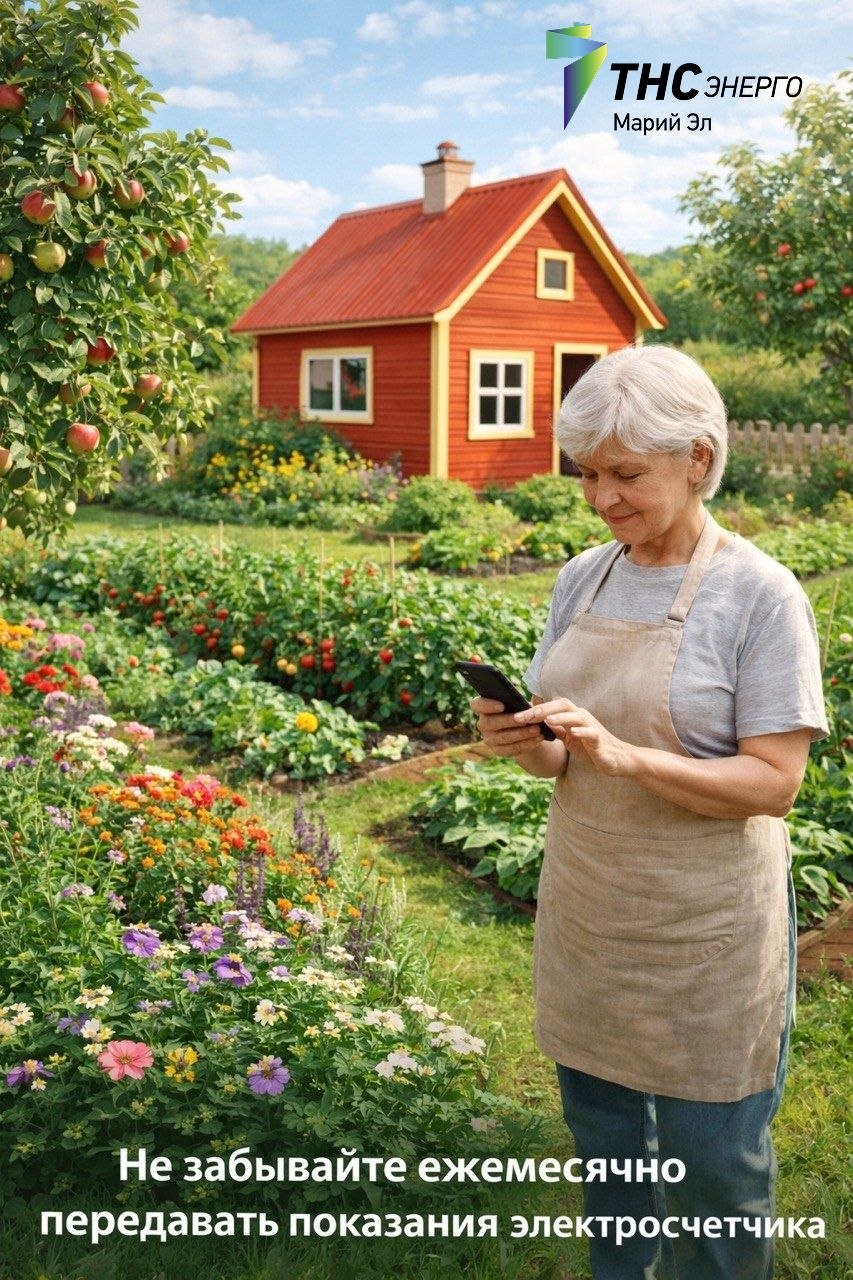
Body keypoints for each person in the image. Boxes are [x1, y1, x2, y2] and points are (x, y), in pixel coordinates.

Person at [471, 345, 828, 1280]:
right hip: (592, 911)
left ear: (698, 459)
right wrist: (530, 743)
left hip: (704, 931)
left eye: (625, 473)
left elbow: (774, 783)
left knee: (714, 1168)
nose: (600, 498)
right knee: (606, 1145)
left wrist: (621, 755)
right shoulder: (583, 577)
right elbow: (567, 759)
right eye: (587, 473)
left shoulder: (759, 596)